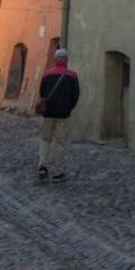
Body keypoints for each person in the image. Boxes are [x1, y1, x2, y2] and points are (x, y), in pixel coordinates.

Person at [36, 48, 80, 181]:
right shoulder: (72, 76)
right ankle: (57, 172)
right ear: (66, 60)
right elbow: (75, 95)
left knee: (45, 140)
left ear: (55, 60)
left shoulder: (47, 74)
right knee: (60, 143)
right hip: (63, 114)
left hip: (48, 113)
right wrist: (69, 107)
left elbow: (42, 93)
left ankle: (42, 165)